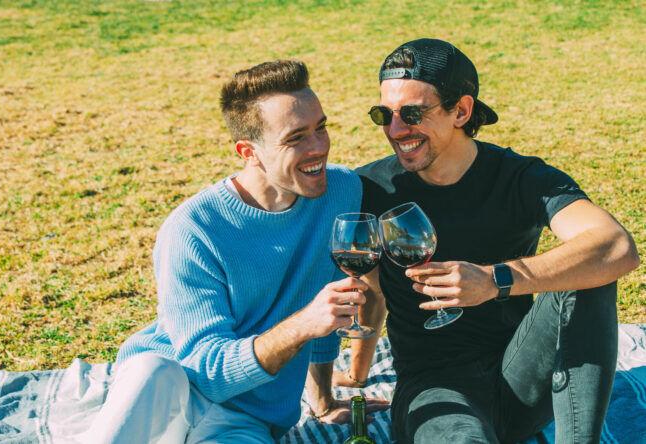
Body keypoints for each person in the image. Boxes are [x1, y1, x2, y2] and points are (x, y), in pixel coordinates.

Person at [81, 60, 388, 444]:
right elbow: (207, 372)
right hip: (169, 384)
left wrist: (323, 402)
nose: (319, 147)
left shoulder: (340, 193)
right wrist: (303, 324)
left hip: (247, 419)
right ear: (249, 151)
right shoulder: (193, 229)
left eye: (321, 127)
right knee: (150, 373)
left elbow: (325, 318)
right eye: (295, 138)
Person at [353, 38, 640, 443]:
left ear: (462, 110)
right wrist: (350, 378)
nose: (396, 130)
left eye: (413, 113)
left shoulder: (519, 177)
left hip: (522, 374)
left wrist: (495, 280)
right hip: (434, 389)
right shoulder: (370, 188)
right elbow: (361, 286)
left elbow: (615, 246)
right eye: (384, 113)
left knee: (590, 273)